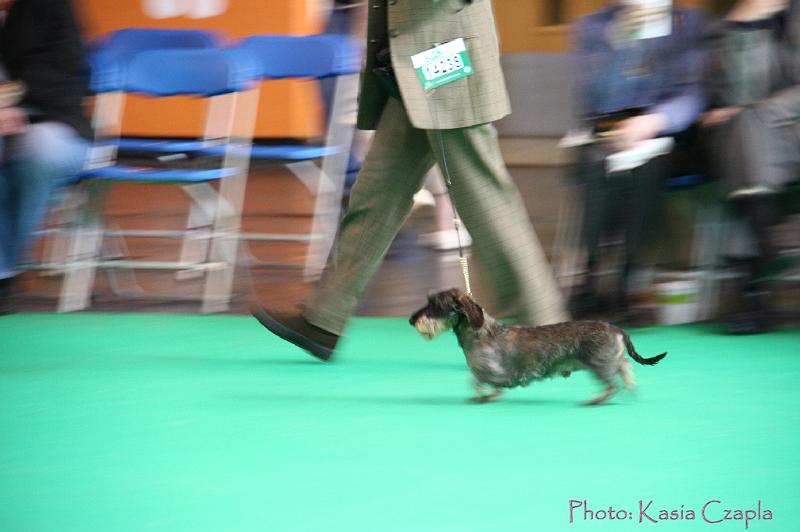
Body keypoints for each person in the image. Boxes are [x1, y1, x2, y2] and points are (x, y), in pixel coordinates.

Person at [252, 0, 568, 361]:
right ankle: (324, 317)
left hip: (446, 57)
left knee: (483, 193)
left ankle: (547, 327)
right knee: (376, 194)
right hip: (417, 61)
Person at [569, 0, 707, 319]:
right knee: (595, 162)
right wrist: (625, 45)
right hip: (609, 126)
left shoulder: (688, 22)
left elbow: (693, 93)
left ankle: (627, 281)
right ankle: (590, 275)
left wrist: (654, 122)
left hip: (666, 128)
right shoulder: (593, 27)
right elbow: (595, 96)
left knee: (647, 167)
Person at [703, 0, 800, 333]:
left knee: (748, 128)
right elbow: (713, 94)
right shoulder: (719, 24)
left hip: (791, 129)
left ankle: (752, 288)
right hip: (736, 138)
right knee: (744, 135)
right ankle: (766, 252)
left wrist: (757, 111)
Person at [0, 0, 91, 313]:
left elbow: (61, 79)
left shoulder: (49, 7)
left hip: (53, 122)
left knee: (40, 149)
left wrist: (10, 103)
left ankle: (4, 271)